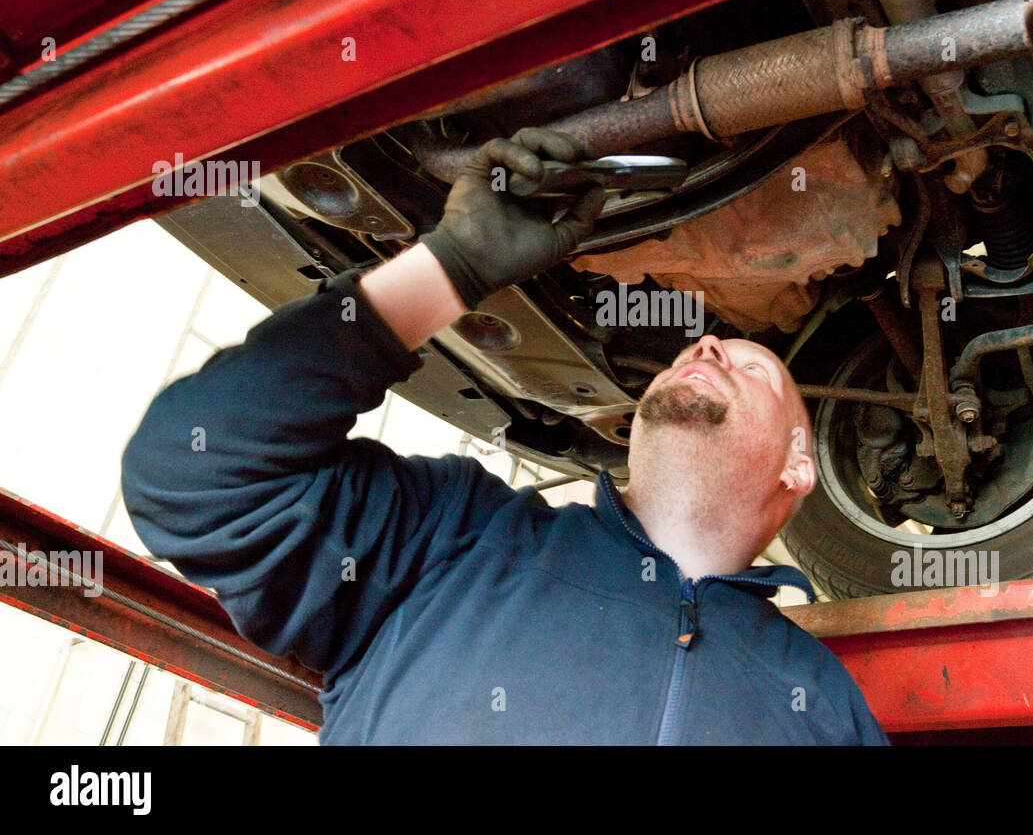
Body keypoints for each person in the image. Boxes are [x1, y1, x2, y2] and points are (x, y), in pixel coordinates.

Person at [121, 129, 889, 745]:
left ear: (800, 466)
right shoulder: (448, 539)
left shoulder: (820, 704)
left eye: (752, 366)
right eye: (696, 349)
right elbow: (197, 470)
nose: (709, 347)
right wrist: (451, 266)